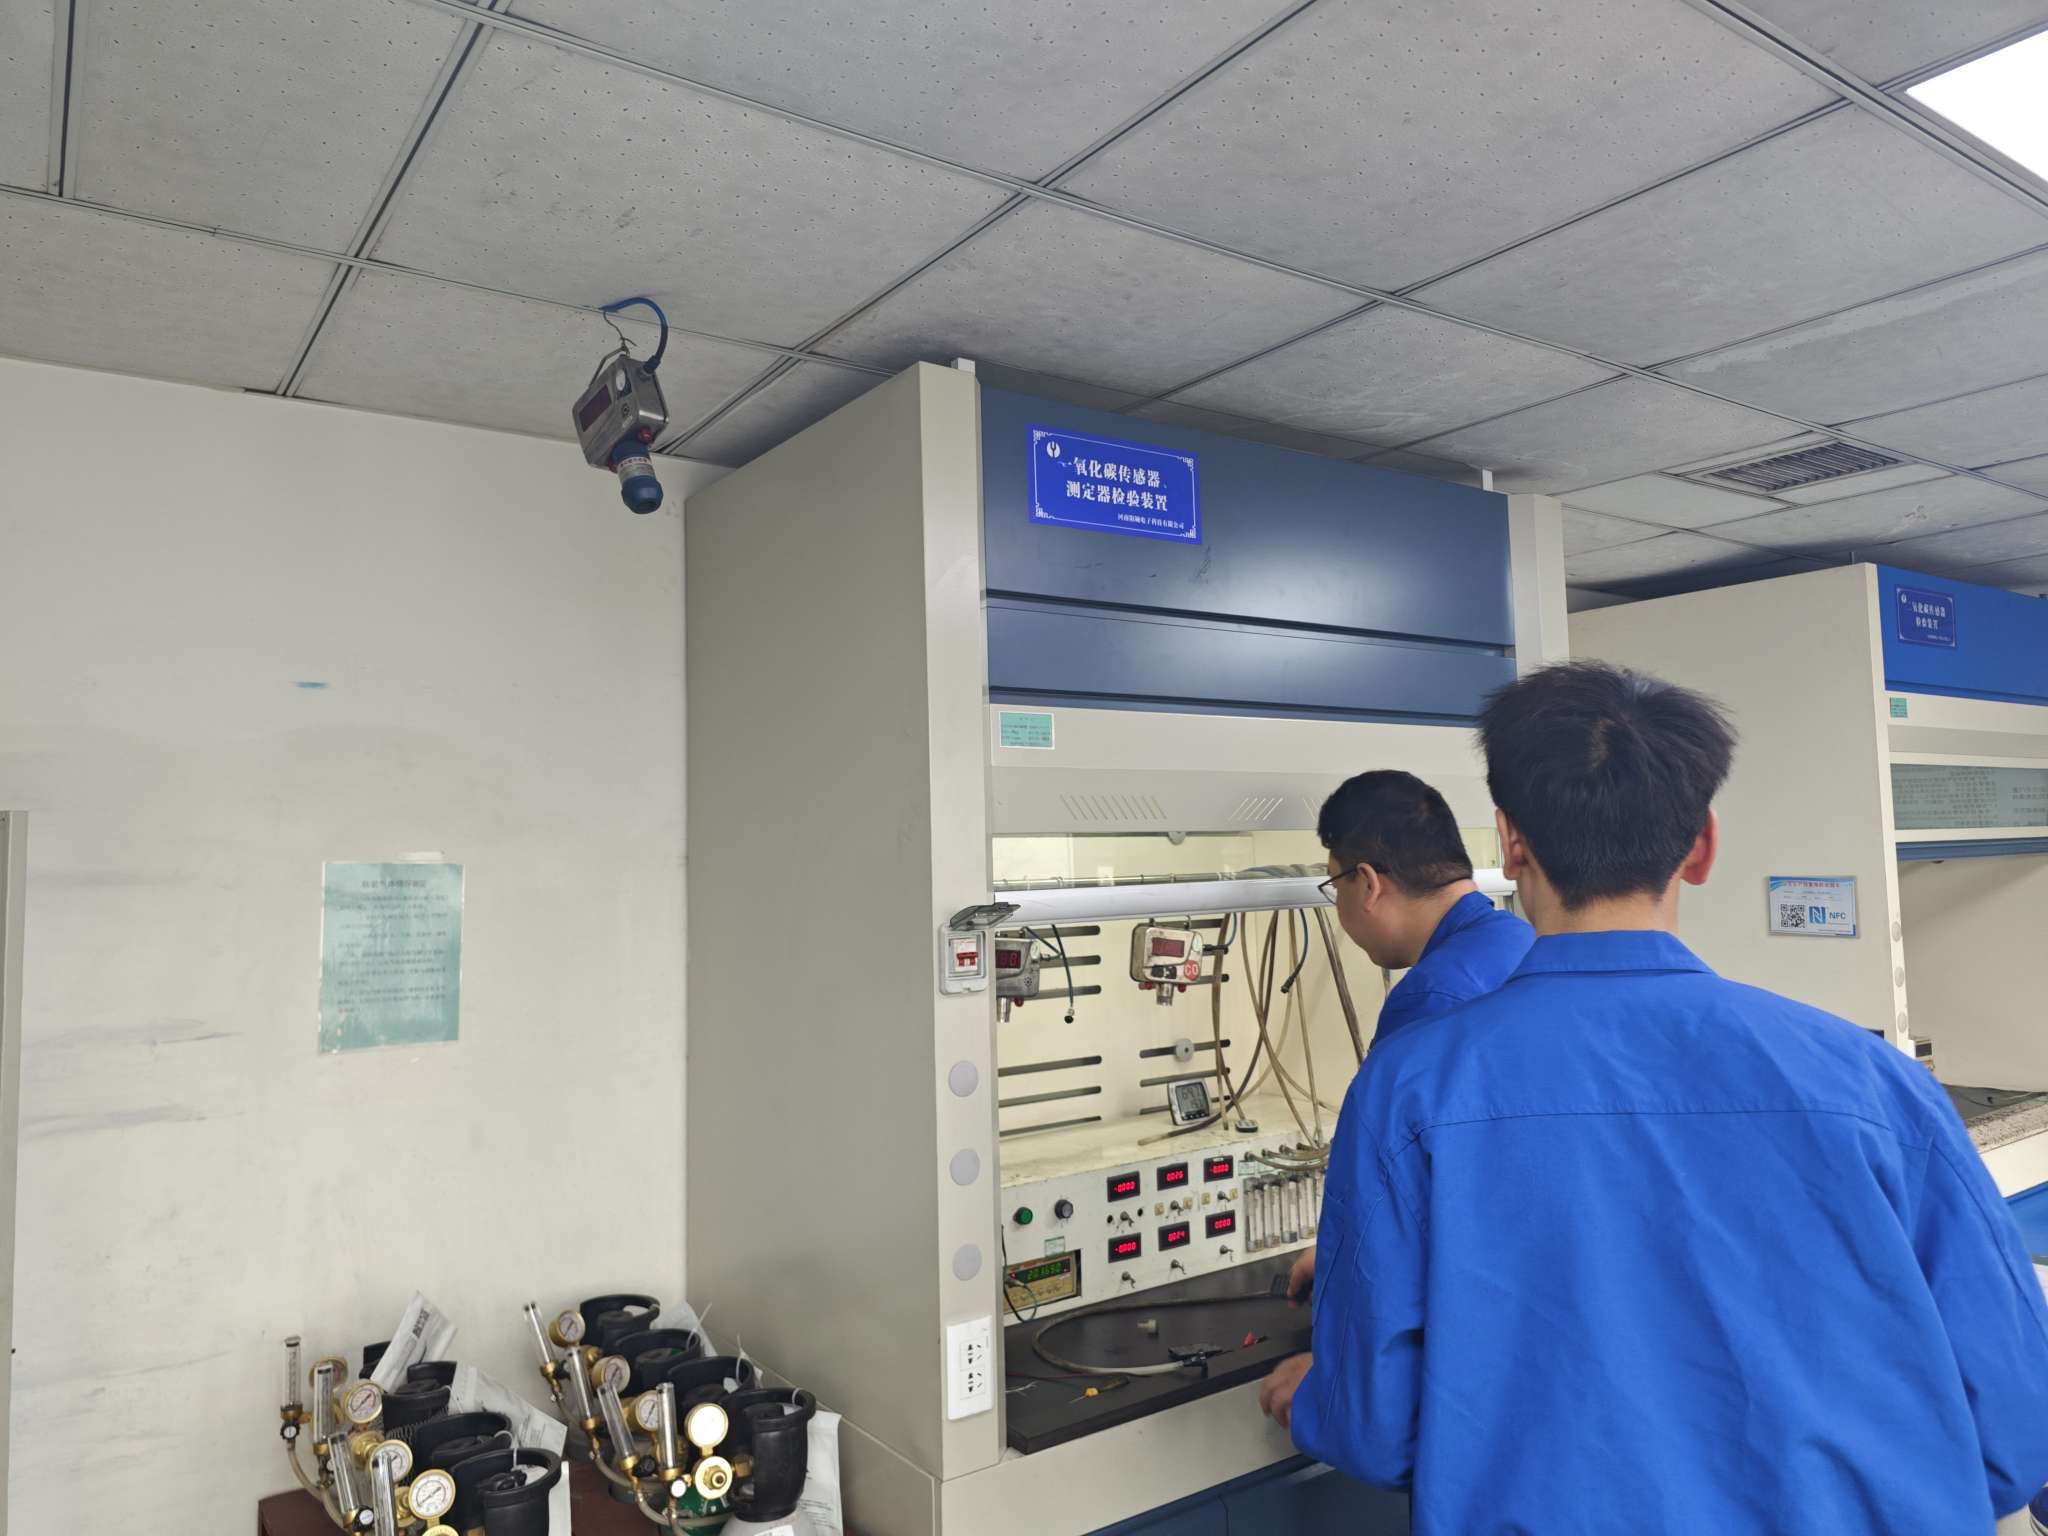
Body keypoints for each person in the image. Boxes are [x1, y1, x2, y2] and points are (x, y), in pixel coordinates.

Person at [1283, 661, 2048, 1532]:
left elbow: (1376, 1431)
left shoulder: (1409, 1092)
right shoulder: (1875, 1086)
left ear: (1511, 843)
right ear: (1703, 846)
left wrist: (1313, 1400)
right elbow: (2015, 1430)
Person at [1257, 769, 1533, 1423]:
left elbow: (1397, 1207)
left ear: (1368, 882)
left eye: (1334, 887)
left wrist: (1336, 1374)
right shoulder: (1518, 943)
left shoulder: (1434, 998)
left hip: (1460, 1362)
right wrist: (1334, 1257)